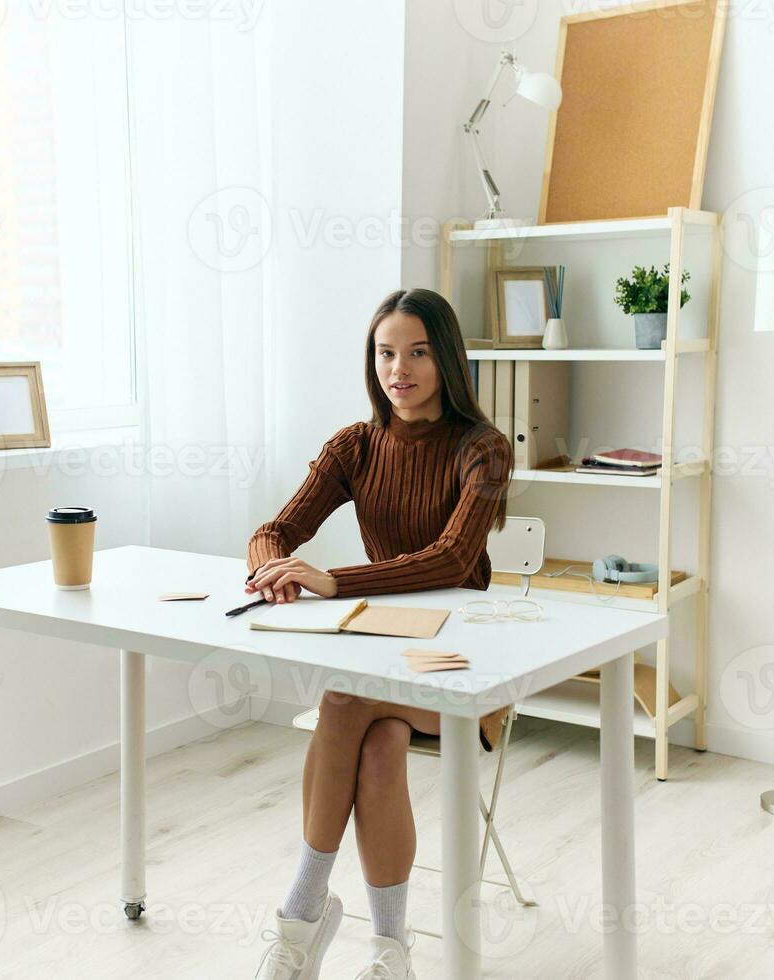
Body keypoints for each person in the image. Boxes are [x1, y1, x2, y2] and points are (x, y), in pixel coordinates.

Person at [245, 288, 514, 980]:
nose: (400, 368)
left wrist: (338, 581)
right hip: (385, 656)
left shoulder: (483, 449)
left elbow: (454, 560)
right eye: (386, 352)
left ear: (446, 359)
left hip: (464, 669)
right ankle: (391, 951)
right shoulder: (356, 446)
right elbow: (274, 530)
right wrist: (270, 571)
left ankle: (302, 913)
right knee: (378, 743)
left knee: (343, 701)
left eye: (418, 352)